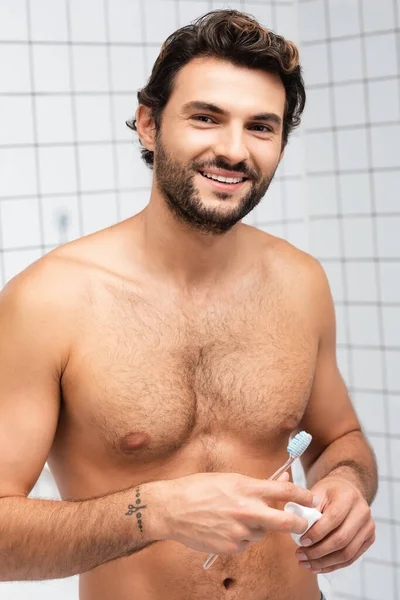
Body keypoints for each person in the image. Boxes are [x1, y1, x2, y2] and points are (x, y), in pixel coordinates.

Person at [0, 9, 377, 600]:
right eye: (206, 118)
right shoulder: (48, 301)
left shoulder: (301, 281)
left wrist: (348, 485)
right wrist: (155, 511)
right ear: (149, 124)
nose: (233, 150)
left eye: (261, 127)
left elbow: (338, 440)